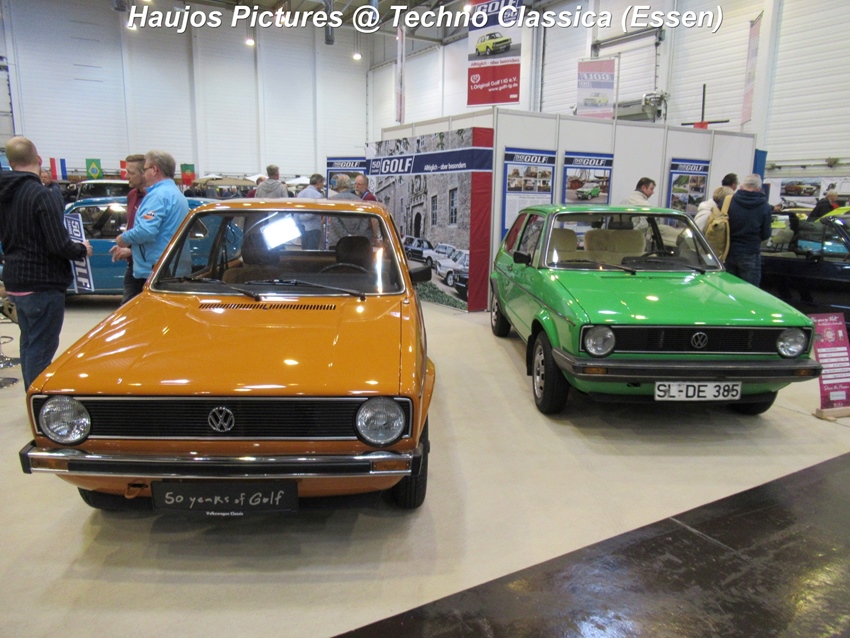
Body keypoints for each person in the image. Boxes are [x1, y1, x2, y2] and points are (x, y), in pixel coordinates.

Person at [0, 136, 92, 388]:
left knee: (29, 341)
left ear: (10, 162)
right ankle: (38, 400)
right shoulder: (42, 195)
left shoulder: (4, 194)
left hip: (16, 280)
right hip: (42, 282)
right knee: (41, 347)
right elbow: (58, 244)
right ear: (39, 159)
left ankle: (30, 394)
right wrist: (81, 249)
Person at [114, 150, 189, 301]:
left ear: (154, 170)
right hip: (171, 266)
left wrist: (123, 238)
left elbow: (146, 230)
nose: (144, 174)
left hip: (154, 269)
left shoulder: (157, 196)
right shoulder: (176, 194)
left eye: (145, 169)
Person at [109, 154, 146, 304]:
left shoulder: (154, 198)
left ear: (144, 173)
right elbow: (131, 225)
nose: (126, 176)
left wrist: (131, 250)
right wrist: (123, 245)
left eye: (131, 172)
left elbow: (154, 234)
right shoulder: (132, 195)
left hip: (149, 268)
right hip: (134, 265)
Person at [725, 173, 772, 286]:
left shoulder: (728, 202)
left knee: (728, 288)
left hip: (728, 251)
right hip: (750, 252)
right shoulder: (765, 206)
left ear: (742, 186)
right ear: (759, 188)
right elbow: (766, 234)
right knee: (750, 291)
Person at [297, 174, 325, 249]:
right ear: (318, 182)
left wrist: (298, 221)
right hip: (314, 227)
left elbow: (296, 211)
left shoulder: (300, 193)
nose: (322, 185)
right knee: (312, 252)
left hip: (302, 227)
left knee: (304, 250)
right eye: (322, 183)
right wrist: (303, 217)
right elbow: (314, 212)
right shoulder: (318, 195)